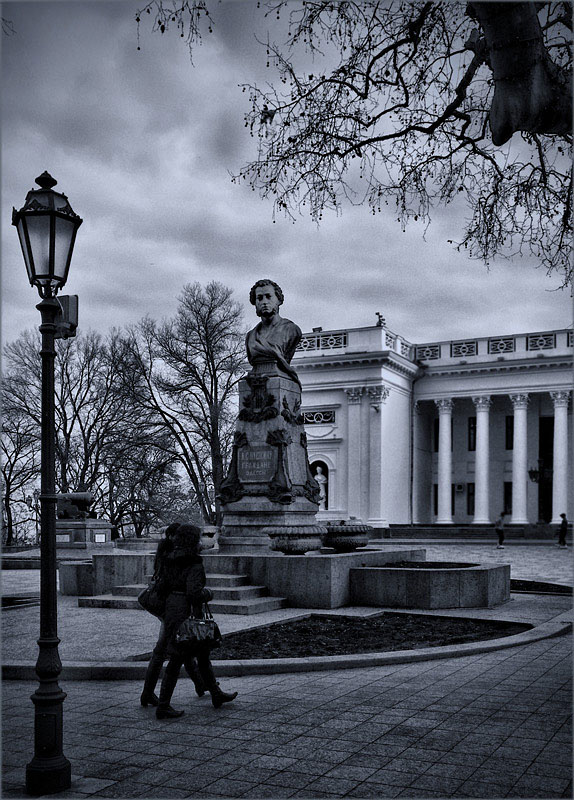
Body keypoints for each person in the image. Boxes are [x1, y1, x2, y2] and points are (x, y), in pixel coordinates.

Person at [154, 524, 237, 719]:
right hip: (189, 612)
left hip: (172, 610)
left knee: (199, 653)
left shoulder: (168, 558)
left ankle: (215, 693)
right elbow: (194, 593)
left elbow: (161, 586)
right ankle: (163, 705)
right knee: (182, 657)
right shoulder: (194, 562)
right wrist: (208, 593)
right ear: (193, 540)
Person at [140, 523, 205, 707]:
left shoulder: (167, 554)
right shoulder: (184, 558)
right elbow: (191, 590)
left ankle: (201, 685)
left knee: (178, 649)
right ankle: (155, 698)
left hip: (166, 605)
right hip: (174, 608)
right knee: (169, 650)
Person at [246, 280, 302, 385]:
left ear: (278, 300)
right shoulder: (250, 336)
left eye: (268, 296)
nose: (264, 302)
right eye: (259, 298)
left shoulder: (291, 330)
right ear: (255, 303)